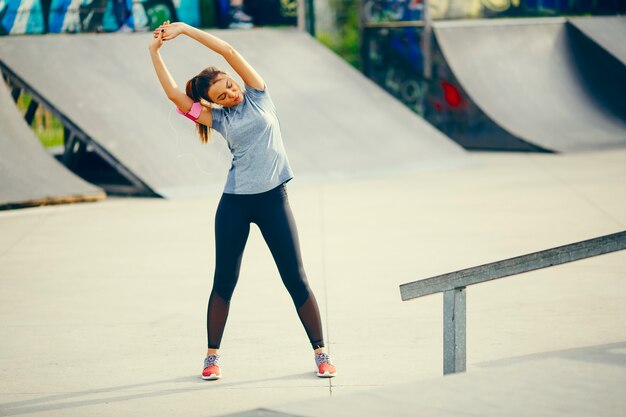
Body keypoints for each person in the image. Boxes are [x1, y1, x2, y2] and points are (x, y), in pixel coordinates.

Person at [148, 21, 337, 380]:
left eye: (230, 86)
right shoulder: (218, 120)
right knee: (225, 280)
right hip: (235, 203)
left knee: (295, 277)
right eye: (221, 96)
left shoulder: (259, 93)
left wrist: (186, 29)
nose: (231, 94)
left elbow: (228, 52)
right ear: (212, 103)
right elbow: (175, 95)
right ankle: (211, 357)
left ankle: (321, 353)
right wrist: (154, 52)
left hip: (273, 200)